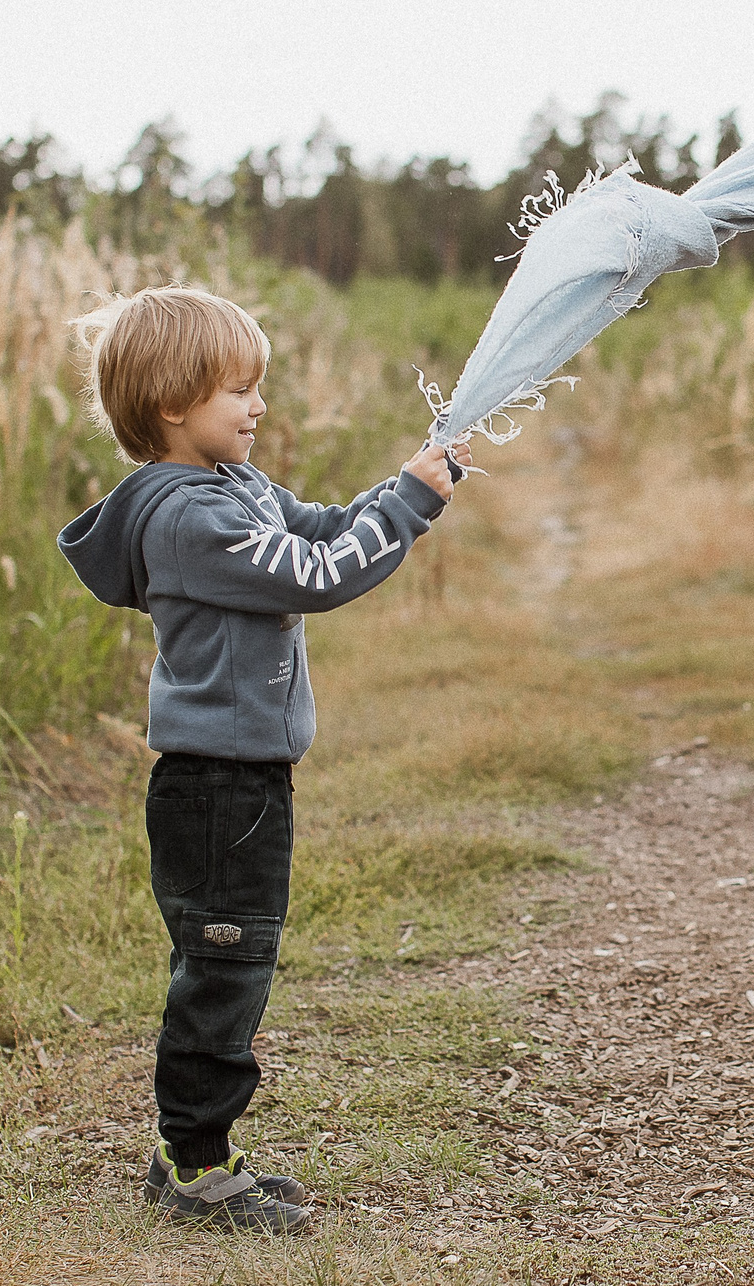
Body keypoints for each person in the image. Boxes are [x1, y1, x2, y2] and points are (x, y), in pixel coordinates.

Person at [57, 285, 466, 1230]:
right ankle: (195, 1165)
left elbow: (321, 529)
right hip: (214, 786)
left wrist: (410, 487)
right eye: (239, 390)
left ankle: (199, 1151)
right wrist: (405, 510)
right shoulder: (185, 518)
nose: (258, 407)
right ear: (174, 403)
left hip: (244, 779)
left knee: (236, 962)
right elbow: (319, 576)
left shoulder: (234, 489)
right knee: (223, 967)